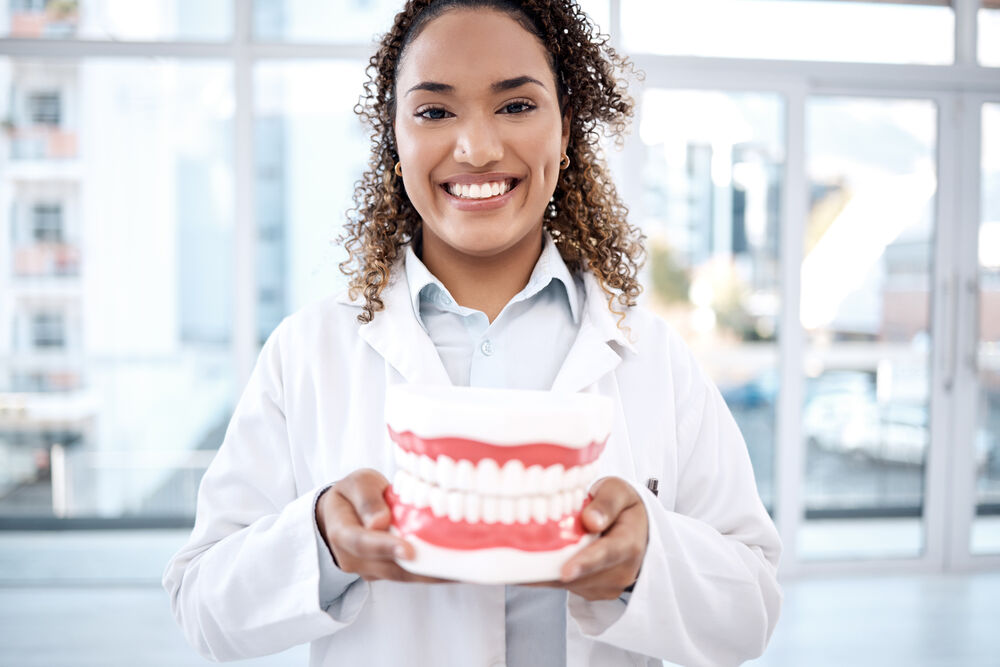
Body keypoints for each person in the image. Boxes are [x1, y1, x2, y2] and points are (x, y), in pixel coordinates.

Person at [163, 1, 782, 665]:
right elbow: (203, 605)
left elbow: (750, 608)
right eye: (434, 111)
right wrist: (321, 541)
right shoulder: (307, 353)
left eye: (516, 106)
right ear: (394, 137)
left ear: (567, 126)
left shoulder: (652, 358)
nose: (478, 147)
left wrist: (645, 559)